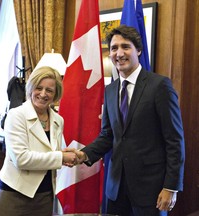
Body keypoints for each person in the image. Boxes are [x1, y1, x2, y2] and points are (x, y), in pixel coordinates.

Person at [74, 25, 185, 216]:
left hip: (151, 190)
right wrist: (83, 155)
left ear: (138, 50)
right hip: (115, 189)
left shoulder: (159, 86)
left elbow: (175, 140)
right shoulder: (110, 90)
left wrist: (171, 186)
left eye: (125, 47)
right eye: (114, 48)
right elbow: (108, 135)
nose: (119, 53)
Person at [0, 66, 77, 216]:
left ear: (55, 94)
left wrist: (67, 155)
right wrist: (61, 157)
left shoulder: (58, 120)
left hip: (45, 195)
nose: (43, 94)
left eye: (49, 90)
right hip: (15, 194)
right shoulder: (16, 115)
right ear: (31, 88)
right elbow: (21, 159)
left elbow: (50, 154)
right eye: (39, 88)